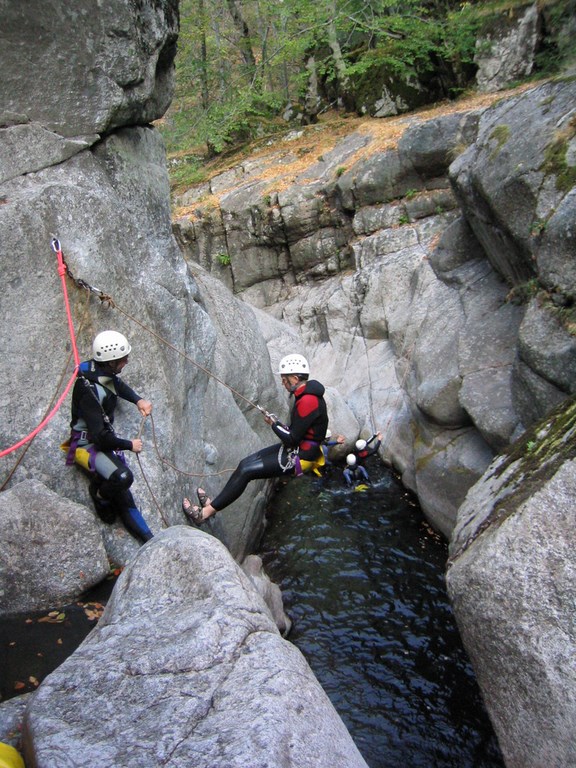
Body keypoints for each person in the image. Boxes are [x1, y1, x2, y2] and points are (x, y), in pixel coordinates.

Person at [183, 353, 328, 524]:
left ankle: (204, 513)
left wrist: (273, 425)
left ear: (295, 378)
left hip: (302, 456)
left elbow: (293, 439)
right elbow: (298, 431)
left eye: (285, 379)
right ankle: (213, 505)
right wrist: (277, 423)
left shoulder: (308, 401)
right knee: (244, 464)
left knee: (247, 472)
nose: (283, 383)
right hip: (298, 448)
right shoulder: (305, 395)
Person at [65, 330, 154, 542]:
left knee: (123, 493)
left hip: (98, 438)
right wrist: (129, 445)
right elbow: (101, 438)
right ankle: (99, 495)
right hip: (84, 446)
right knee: (122, 478)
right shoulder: (90, 393)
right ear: (111, 362)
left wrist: (137, 400)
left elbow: (114, 383)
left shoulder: (96, 370)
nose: (127, 361)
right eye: (122, 359)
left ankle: (150, 540)